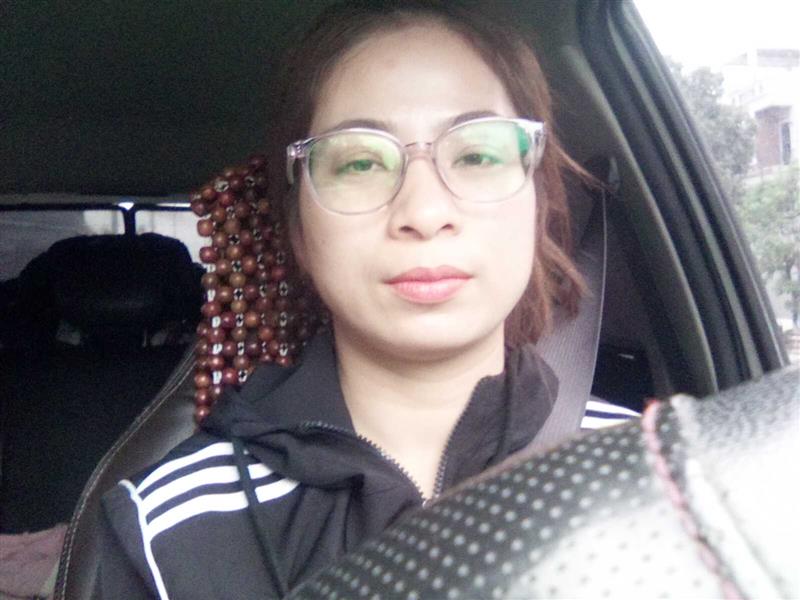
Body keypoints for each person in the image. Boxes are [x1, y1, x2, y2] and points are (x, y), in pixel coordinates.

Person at [92, 2, 633, 598]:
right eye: (359, 162)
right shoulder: (164, 535)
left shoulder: (646, 473)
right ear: (299, 227)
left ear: (539, 201)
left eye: (477, 154)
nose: (424, 212)